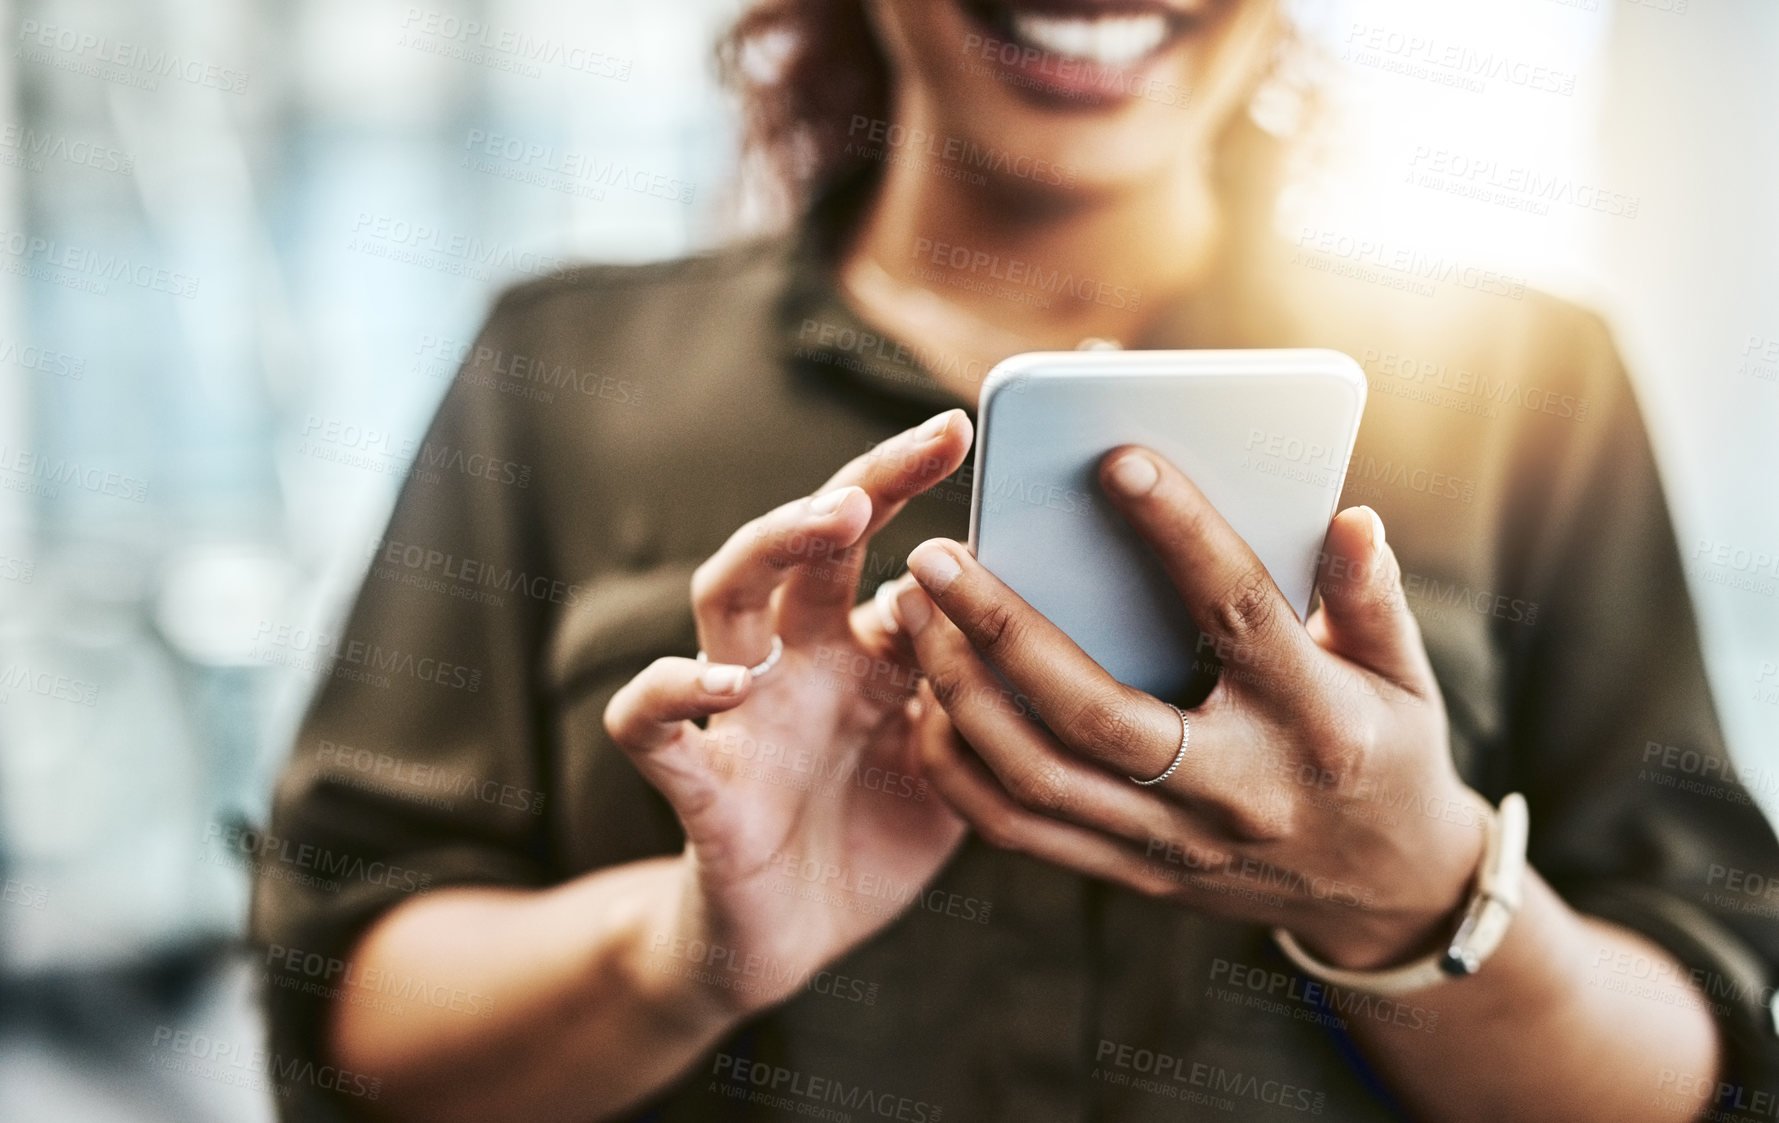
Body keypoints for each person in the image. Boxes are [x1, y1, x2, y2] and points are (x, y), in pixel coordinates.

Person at [252, 0, 1779, 1119]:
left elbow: (1700, 1054)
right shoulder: (564, 366)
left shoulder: (1528, 386)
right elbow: (353, 1011)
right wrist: (691, 949)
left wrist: (1412, 894)